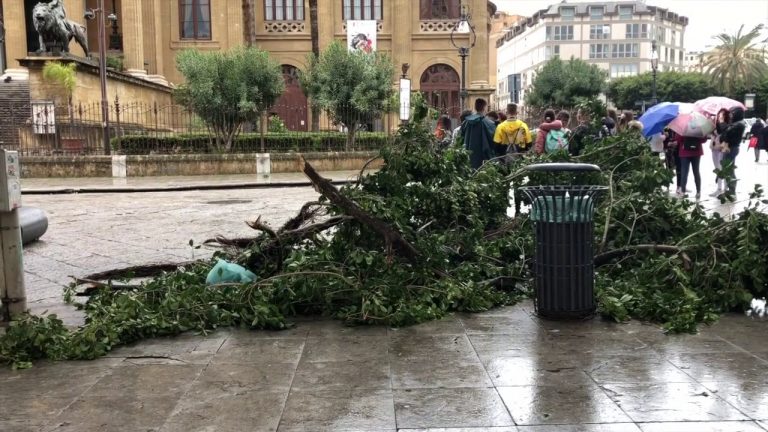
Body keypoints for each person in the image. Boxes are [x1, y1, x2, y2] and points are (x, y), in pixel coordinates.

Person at [460, 98, 496, 169]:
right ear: (484, 108)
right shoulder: (488, 123)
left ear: (475, 107)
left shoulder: (466, 122)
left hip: (468, 156)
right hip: (483, 158)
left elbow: (460, 138)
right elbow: (493, 140)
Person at [718, 106, 747, 194]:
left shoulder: (739, 124)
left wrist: (722, 122)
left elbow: (726, 132)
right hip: (730, 147)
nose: (730, 115)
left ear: (736, 114)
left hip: (731, 148)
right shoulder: (736, 123)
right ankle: (730, 188)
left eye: (732, 113)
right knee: (728, 168)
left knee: (729, 169)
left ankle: (731, 190)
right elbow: (723, 132)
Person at [675, 134, 706, 199]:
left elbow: (678, 139)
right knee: (696, 171)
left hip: (684, 152)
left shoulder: (682, 127)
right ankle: (698, 192)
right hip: (696, 151)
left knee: (684, 172)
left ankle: (683, 192)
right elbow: (703, 140)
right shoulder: (698, 128)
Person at [709, 109, 729, 196]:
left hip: (722, 148)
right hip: (714, 148)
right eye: (719, 114)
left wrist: (720, 123)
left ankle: (724, 188)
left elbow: (725, 133)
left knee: (722, 168)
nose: (721, 116)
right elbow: (710, 134)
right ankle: (719, 188)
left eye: (723, 115)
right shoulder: (715, 123)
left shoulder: (727, 125)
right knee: (717, 168)